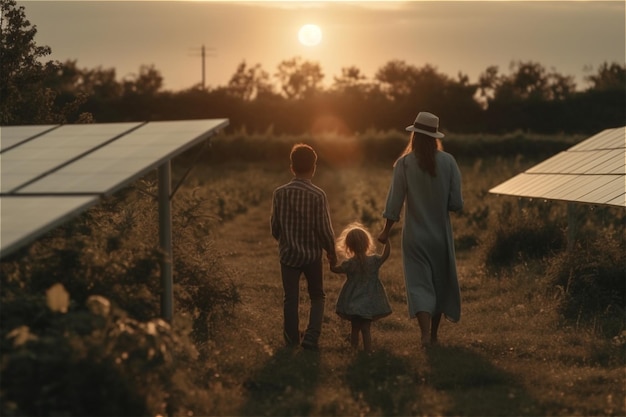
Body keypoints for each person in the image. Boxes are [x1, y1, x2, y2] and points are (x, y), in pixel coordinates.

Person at [377, 111, 463, 349]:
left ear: (414, 135)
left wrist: (386, 231)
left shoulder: (404, 164)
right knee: (438, 283)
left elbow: (394, 202)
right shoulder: (449, 162)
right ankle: (433, 335)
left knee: (418, 284)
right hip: (440, 236)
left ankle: (424, 334)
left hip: (414, 236)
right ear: (435, 136)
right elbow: (456, 204)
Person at [271, 143, 337, 351]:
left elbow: (275, 226)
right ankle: (311, 337)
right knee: (317, 295)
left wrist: (284, 240)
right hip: (311, 256)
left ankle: (291, 339)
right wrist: (331, 251)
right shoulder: (318, 195)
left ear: (292, 166)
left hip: (288, 254)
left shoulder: (279, 193)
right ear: (314, 167)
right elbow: (324, 228)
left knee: (290, 298)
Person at [331, 223, 392, 353]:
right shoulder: (373, 261)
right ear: (367, 243)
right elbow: (385, 255)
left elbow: (335, 269)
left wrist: (331, 260)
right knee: (366, 328)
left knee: (355, 328)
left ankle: (354, 350)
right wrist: (387, 240)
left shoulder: (350, 264)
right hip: (368, 302)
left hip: (353, 301)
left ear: (349, 246)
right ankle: (368, 352)